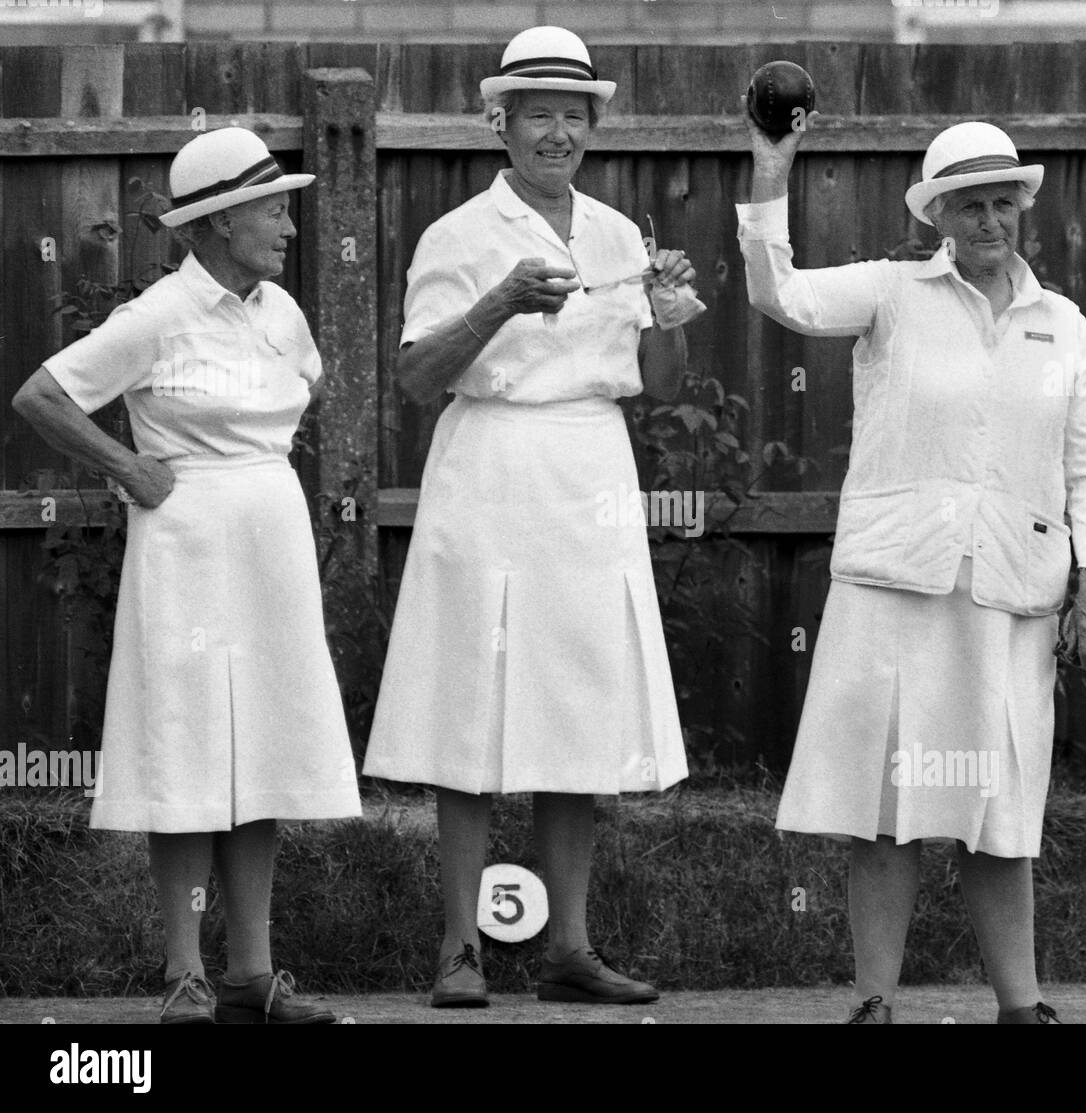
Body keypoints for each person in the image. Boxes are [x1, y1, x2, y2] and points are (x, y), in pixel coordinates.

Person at [737, 117, 1086, 1023]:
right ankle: (874, 1002)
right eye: (972, 205)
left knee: (1000, 812)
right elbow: (782, 296)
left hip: (1013, 596)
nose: (991, 219)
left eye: (1005, 202)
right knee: (887, 808)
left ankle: (1021, 1005)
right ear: (939, 215)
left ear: (1023, 209)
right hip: (895, 589)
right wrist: (772, 168)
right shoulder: (890, 293)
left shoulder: (1063, 323)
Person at [362, 25, 697, 1008]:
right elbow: (418, 378)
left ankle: (565, 948)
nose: (556, 132)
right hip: (491, 471)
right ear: (501, 124)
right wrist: (500, 303)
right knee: (473, 701)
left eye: (572, 115)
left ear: (592, 125)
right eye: (536, 114)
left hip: (589, 476)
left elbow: (650, 381)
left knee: (577, 706)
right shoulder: (458, 237)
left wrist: (672, 316)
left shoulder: (614, 234)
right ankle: (459, 951)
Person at [11, 127, 362, 1024]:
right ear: (216, 222)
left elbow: (301, 395)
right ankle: (184, 974)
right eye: (273, 209)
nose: (289, 226)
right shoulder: (159, 315)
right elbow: (43, 395)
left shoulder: (281, 311)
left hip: (270, 543)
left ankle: (252, 973)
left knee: (264, 750)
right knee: (188, 744)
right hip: (186, 547)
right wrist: (129, 468)